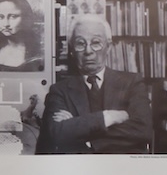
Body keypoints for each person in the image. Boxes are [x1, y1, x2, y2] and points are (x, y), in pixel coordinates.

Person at [37, 14, 153, 155]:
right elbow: (56, 134)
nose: (88, 51)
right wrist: (107, 117)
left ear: (108, 47)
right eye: (80, 44)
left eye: (96, 43)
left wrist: (84, 136)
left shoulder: (132, 83)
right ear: (72, 50)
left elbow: (143, 131)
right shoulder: (59, 90)